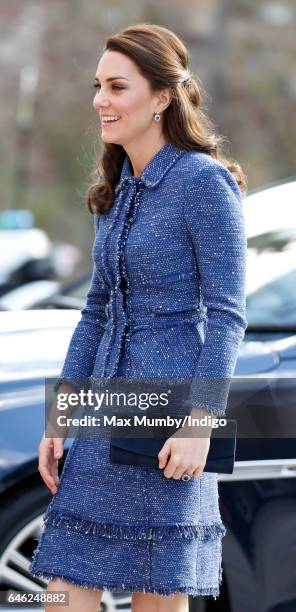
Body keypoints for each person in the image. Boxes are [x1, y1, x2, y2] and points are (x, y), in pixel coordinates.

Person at [29, 23, 248, 612]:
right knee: (62, 591)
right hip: (102, 408)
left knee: (158, 596)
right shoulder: (117, 185)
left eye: (117, 86)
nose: (100, 99)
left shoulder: (205, 184)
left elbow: (227, 315)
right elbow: (97, 310)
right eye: (98, 85)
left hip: (170, 414)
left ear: (162, 98)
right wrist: (61, 415)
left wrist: (200, 422)